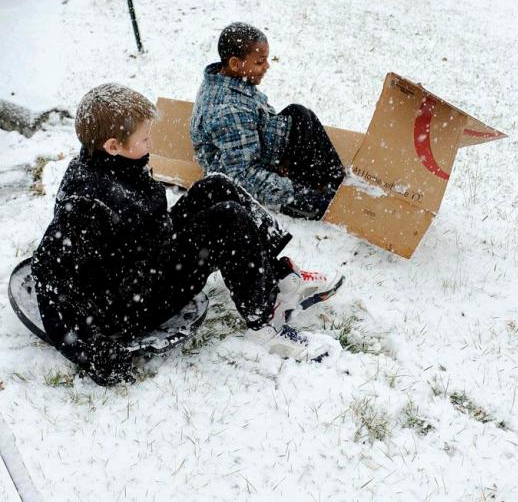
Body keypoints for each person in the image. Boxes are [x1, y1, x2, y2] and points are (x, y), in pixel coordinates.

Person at [31, 83, 343, 386]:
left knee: (216, 186)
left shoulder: (116, 163)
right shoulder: (85, 202)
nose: (150, 143)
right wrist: (90, 352)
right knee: (225, 219)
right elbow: (47, 275)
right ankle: (264, 324)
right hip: (129, 304)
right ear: (112, 146)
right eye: (144, 139)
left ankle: (276, 278)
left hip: (146, 257)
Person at [190, 22, 345, 220]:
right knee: (319, 200)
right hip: (246, 175)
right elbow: (243, 177)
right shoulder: (228, 112)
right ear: (235, 63)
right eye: (259, 62)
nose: (266, 67)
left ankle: (337, 182)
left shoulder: (227, 78)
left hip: (254, 147)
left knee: (300, 115)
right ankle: (323, 194)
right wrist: (295, 193)